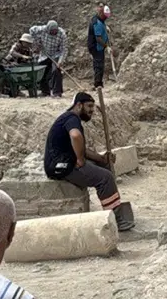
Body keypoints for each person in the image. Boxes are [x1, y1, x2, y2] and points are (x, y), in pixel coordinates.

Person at [44, 93, 135, 231]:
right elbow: (76, 136)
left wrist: (102, 159)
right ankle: (116, 220)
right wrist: (80, 160)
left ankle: (113, 206)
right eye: (89, 106)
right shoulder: (72, 118)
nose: (92, 110)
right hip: (61, 167)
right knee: (105, 178)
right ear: (79, 105)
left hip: (64, 162)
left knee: (104, 166)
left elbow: (82, 149)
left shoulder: (69, 118)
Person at [33, 20, 68, 98]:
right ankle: (45, 91)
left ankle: (57, 92)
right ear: (48, 29)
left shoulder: (62, 34)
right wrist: (37, 42)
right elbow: (31, 30)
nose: (54, 32)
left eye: (55, 31)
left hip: (56, 54)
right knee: (42, 70)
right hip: (45, 53)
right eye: (52, 31)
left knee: (57, 70)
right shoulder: (42, 29)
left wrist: (60, 61)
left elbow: (64, 50)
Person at [88, 4, 111, 88]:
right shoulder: (97, 23)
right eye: (105, 16)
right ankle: (98, 85)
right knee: (99, 65)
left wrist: (105, 27)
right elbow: (98, 38)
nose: (106, 18)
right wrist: (106, 46)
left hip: (99, 46)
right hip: (96, 47)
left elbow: (101, 24)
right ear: (102, 14)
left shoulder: (98, 18)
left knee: (100, 64)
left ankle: (99, 83)